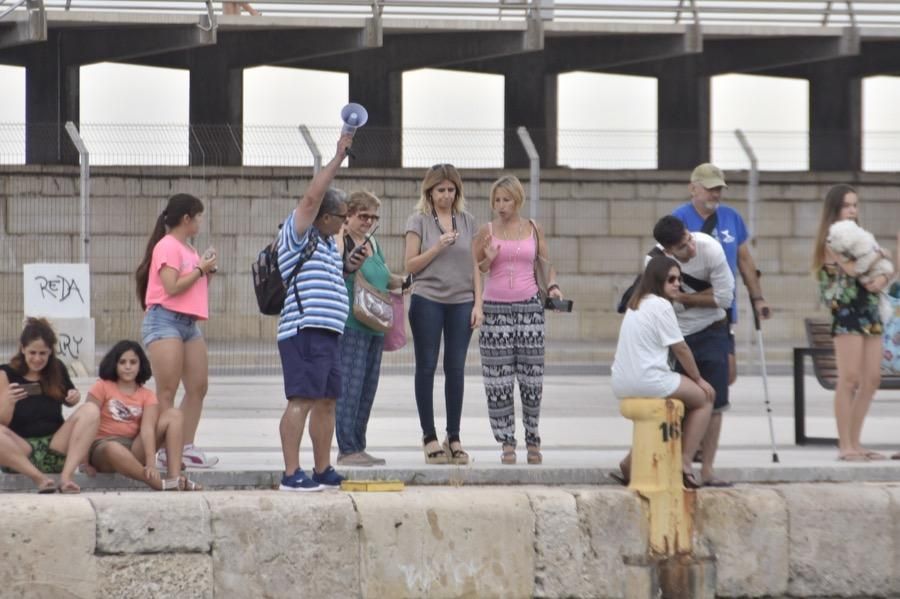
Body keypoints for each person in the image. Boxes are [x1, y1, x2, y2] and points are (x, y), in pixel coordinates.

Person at [276, 133, 354, 492]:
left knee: (326, 401)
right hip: (305, 329)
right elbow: (311, 196)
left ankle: (322, 468)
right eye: (341, 217)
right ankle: (292, 472)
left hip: (328, 333)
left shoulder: (325, 245)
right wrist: (338, 157)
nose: (344, 224)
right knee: (302, 399)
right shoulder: (298, 233)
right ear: (322, 216)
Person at [474, 175, 563, 465]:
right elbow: (478, 269)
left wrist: (553, 288)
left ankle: (533, 437)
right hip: (495, 309)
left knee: (531, 377)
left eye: (506, 200)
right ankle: (506, 441)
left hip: (529, 308)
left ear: (518, 200)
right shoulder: (486, 231)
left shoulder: (533, 228)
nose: (501, 206)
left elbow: (546, 264)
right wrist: (488, 259)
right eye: (497, 200)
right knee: (497, 381)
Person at [610, 255, 715, 488]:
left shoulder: (635, 303)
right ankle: (685, 463)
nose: (678, 283)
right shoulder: (661, 305)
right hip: (648, 379)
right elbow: (681, 348)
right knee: (706, 398)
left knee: (661, 412)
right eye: (672, 279)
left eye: (680, 279)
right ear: (658, 280)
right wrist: (698, 379)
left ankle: (629, 464)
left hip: (621, 381)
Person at [405, 163, 483, 465]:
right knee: (426, 366)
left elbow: (476, 265)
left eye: (451, 190)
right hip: (428, 299)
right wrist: (437, 247)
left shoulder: (468, 221)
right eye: (441, 190)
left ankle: (454, 436)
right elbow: (410, 265)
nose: (446, 196)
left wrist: (479, 304)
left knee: (456, 368)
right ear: (430, 191)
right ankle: (429, 436)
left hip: (462, 301)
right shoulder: (419, 221)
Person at [136, 193, 219, 469]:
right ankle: (161, 449)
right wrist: (199, 269)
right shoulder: (168, 246)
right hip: (164, 321)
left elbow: (191, 289)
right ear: (187, 218)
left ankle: (185, 445)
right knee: (167, 389)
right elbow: (171, 287)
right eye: (198, 217)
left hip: (188, 323)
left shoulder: (189, 249)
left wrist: (205, 273)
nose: (200, 222)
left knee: (198, 386)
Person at [812, 184, 894, 462]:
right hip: (847, 311)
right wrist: (881, 258)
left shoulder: (862, 239)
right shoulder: (833, 240)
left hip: (870, 310)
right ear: (835, 209)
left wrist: (883, 276)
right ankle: (844, 444)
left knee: (872, 379)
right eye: (847, 205)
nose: (852, 211)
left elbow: (882, 274)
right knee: (849, 379)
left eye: (855, 205)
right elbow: (854, 269)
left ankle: (857, 442)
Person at [653, 216, 735, 486]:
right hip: (678, 335)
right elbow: (664, 307)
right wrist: (704, 296)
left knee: (717, 402)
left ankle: (707, 469)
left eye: (689, 239)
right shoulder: (653, 263)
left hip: (713, 330)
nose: (691, 248)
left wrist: (683, 298)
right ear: (668, 251)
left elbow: (724, 299)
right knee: (678, 403)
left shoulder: (709, 248)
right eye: (682, 247)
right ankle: (676, 465)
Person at [672, 163, 770, 387]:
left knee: (727, 373)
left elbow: (744, 260)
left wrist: (758, 298)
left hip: (722, 307)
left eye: (719, 189)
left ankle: (707, 413)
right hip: (691, 307)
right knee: (693, 372)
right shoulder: (679, 217)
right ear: (693, 189)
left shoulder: (732, 217)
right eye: (709, 188)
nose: (715, 194)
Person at [334, 190, 405, 467]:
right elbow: (337, 269)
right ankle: (347, 447)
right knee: (350, 386)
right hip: (352, 322)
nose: (368, 222)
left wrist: (407, 282)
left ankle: (358, 445)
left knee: (367, 387)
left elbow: (385, 277)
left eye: (373, 217)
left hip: (374, 321)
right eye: (363, 216)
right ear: (349, 214)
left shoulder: (372, 241)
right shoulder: (342, 237)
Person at [0, 318, 100, 493]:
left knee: (91, 410)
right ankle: (39, 479)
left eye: (43, 353)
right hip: (20, 452)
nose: (37, 359)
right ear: (22, 348)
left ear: (50, 352)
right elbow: (3, 424)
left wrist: (74, 397)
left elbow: (71, 398)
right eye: (32, 352)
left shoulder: (57, 368)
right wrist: (8, 402)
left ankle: (66, 478)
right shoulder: (5, 373)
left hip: (55, 447)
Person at [86, 341, 200, 491]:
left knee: (174, 415)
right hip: (103, 448)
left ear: (140, 365)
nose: (128, 366)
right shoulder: (101, 386)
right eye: (122, 362)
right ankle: (156, 483)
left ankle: (174, 477)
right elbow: (85, 424)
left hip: (133, 448)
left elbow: (147, 429)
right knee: (113, 448)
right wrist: (83, 462)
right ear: (114, 364)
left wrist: (151, 463)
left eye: (133, 362)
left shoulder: (147, 395)